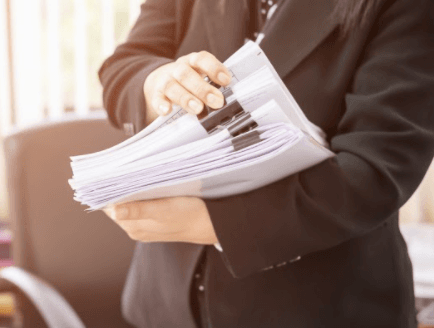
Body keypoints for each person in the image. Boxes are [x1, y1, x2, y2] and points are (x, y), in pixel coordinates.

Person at [99, 0, 434, 327]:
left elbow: (376, 168)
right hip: (167, 300)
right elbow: (124, 65)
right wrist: (157, 82)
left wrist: (220, 224)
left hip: (322, 305)